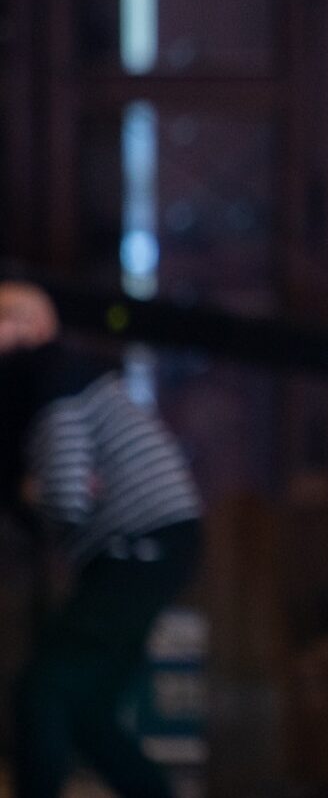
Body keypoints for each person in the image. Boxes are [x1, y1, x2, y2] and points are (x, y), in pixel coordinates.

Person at [0, 281, 203, 798]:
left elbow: (66, 495)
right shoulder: (71, 380)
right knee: (89, 710)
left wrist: (28, 489)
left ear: (33, 325)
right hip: (150, 548)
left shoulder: (54, 382)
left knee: (42, 692)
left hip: (137, 549)